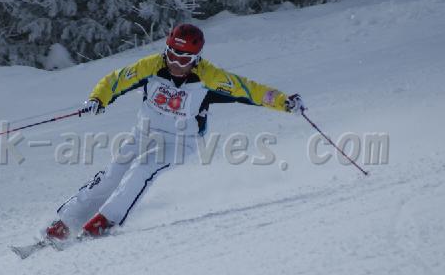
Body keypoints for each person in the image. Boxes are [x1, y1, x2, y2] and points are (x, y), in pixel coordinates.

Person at [45, 24, 305, 240]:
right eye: (172, 55)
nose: (176, 63)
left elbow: (250, 90)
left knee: (142, 170)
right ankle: (67, 221)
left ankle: (106, 221)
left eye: (185, 59)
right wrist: (98, 99)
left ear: (196, 58)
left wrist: (283, 101)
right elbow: (116, 80)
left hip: (179, 141)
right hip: (144, 133)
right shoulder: (151, 66)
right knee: (112, 175)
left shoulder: (210, 78)